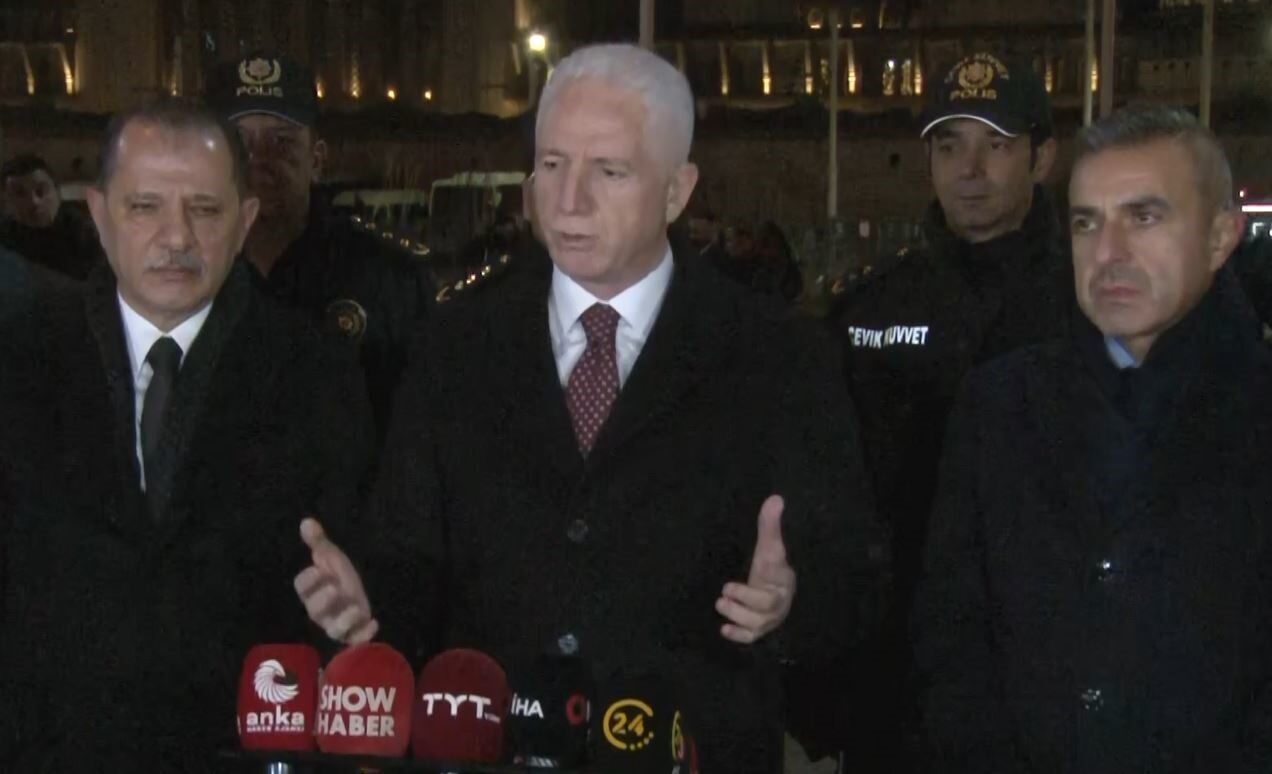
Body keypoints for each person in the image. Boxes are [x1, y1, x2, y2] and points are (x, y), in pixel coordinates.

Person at [292, 43, 886, 774]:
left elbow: (855, 581)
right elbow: (407, 556)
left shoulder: (779, 356)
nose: (568, 201)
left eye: (609, 171)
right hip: (492, 752)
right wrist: (367, 600)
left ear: (677, 191)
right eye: (551, 164)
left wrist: (791, 605)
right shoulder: (455, 344)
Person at [0, 99, 373, 770]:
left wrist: (355, 604)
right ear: (98, 214)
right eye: (145, 207)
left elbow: (358, 570)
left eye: (203, 210)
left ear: (245, 220)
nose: (176, 237)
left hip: (243, 752)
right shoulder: (19, 361)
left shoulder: (318, 375)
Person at [914, 104, 1271, 772]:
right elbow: (954, 631)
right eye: (1086, 222)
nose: (1108, 253)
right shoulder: (1000, 406)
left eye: (1144, 217)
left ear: (1221, 236)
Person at [806, 51, 1071, 769]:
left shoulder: (1090, 306)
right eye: (950, 146)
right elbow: (826, 494)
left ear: (1043, 159)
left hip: (1048, 680)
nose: (970, 169)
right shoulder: (870, 310)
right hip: (900, 690)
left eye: (997, 145)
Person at [205, 51, 434, 440]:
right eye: (240, 142)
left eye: (281, 142)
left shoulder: (388, 280)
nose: (259, 159)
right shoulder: (188, 278)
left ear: (317, 159)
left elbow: (425, 426)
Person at [0, 153, 103, 279]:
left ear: (57, 192)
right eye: (20, 194)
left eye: (41, 190)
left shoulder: (85, 233)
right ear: (6, 202)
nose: (34, 201)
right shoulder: (5, 240)